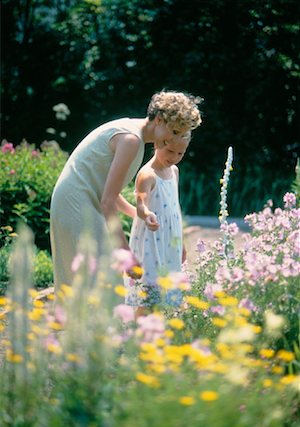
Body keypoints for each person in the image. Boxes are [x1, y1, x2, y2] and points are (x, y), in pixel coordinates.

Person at [50, 90, 202, 292]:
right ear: (158, 120)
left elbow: (108, 191)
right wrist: (126, 254)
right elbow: (107, 202)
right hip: (75, 202)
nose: (173, 141)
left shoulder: (136, 139)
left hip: (81, 199)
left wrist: (138, 216)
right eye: (173, 132)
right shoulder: (131, 140)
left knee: (91, 285)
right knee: (103, 282)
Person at [124, 132, 192, 317]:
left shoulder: (174, 172)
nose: (174, 158)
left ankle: (158, 331)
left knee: (167, 290)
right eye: (170, 151)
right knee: (149, 294)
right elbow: (140, 204)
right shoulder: (147, 175)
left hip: (169, 242)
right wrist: (146, 215)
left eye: (180, 153)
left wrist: (181, 243)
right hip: (151, 242)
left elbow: (175, 210)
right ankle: (139, 336)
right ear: (157, 143)